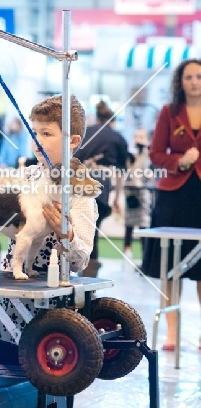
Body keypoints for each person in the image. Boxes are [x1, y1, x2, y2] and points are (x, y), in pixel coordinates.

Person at [0, 94, 98, 365]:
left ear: (72, 141)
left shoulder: (80, 193)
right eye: (34, 131)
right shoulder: (25, 177)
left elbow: (81, 260)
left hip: (55, 316)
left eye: (46, 133)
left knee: (53, 393)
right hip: (9, 307)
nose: (37, 139)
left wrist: (67, 235)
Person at [141, 59, 201, 351]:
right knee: (171, 268)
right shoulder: (168, 112)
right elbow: (155, 154)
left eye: (199, 77)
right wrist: (179, 161)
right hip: (173, 196)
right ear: (181, 81)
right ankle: (171, 335)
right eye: (189, 77)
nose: (194, 82)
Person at [77, 101, 128, 277]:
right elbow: (121, 173)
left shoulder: (84, 133)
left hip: (78, 185)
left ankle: (67, 274)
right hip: (100, 188)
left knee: (74, 230)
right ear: (112, 121)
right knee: (92, 233)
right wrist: (116, 199)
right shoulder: (118, 138)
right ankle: (88, 279)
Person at [123, 129, 152, 260]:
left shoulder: (149, 154)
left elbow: (150, 174)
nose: (138, 139)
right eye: (136, 136)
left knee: (143, 225)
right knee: (128, 226)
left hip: (143, 193)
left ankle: (144, 258)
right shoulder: (130, 155)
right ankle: (127, 253)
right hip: (131, 192)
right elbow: (127, 172)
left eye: (141, 136)